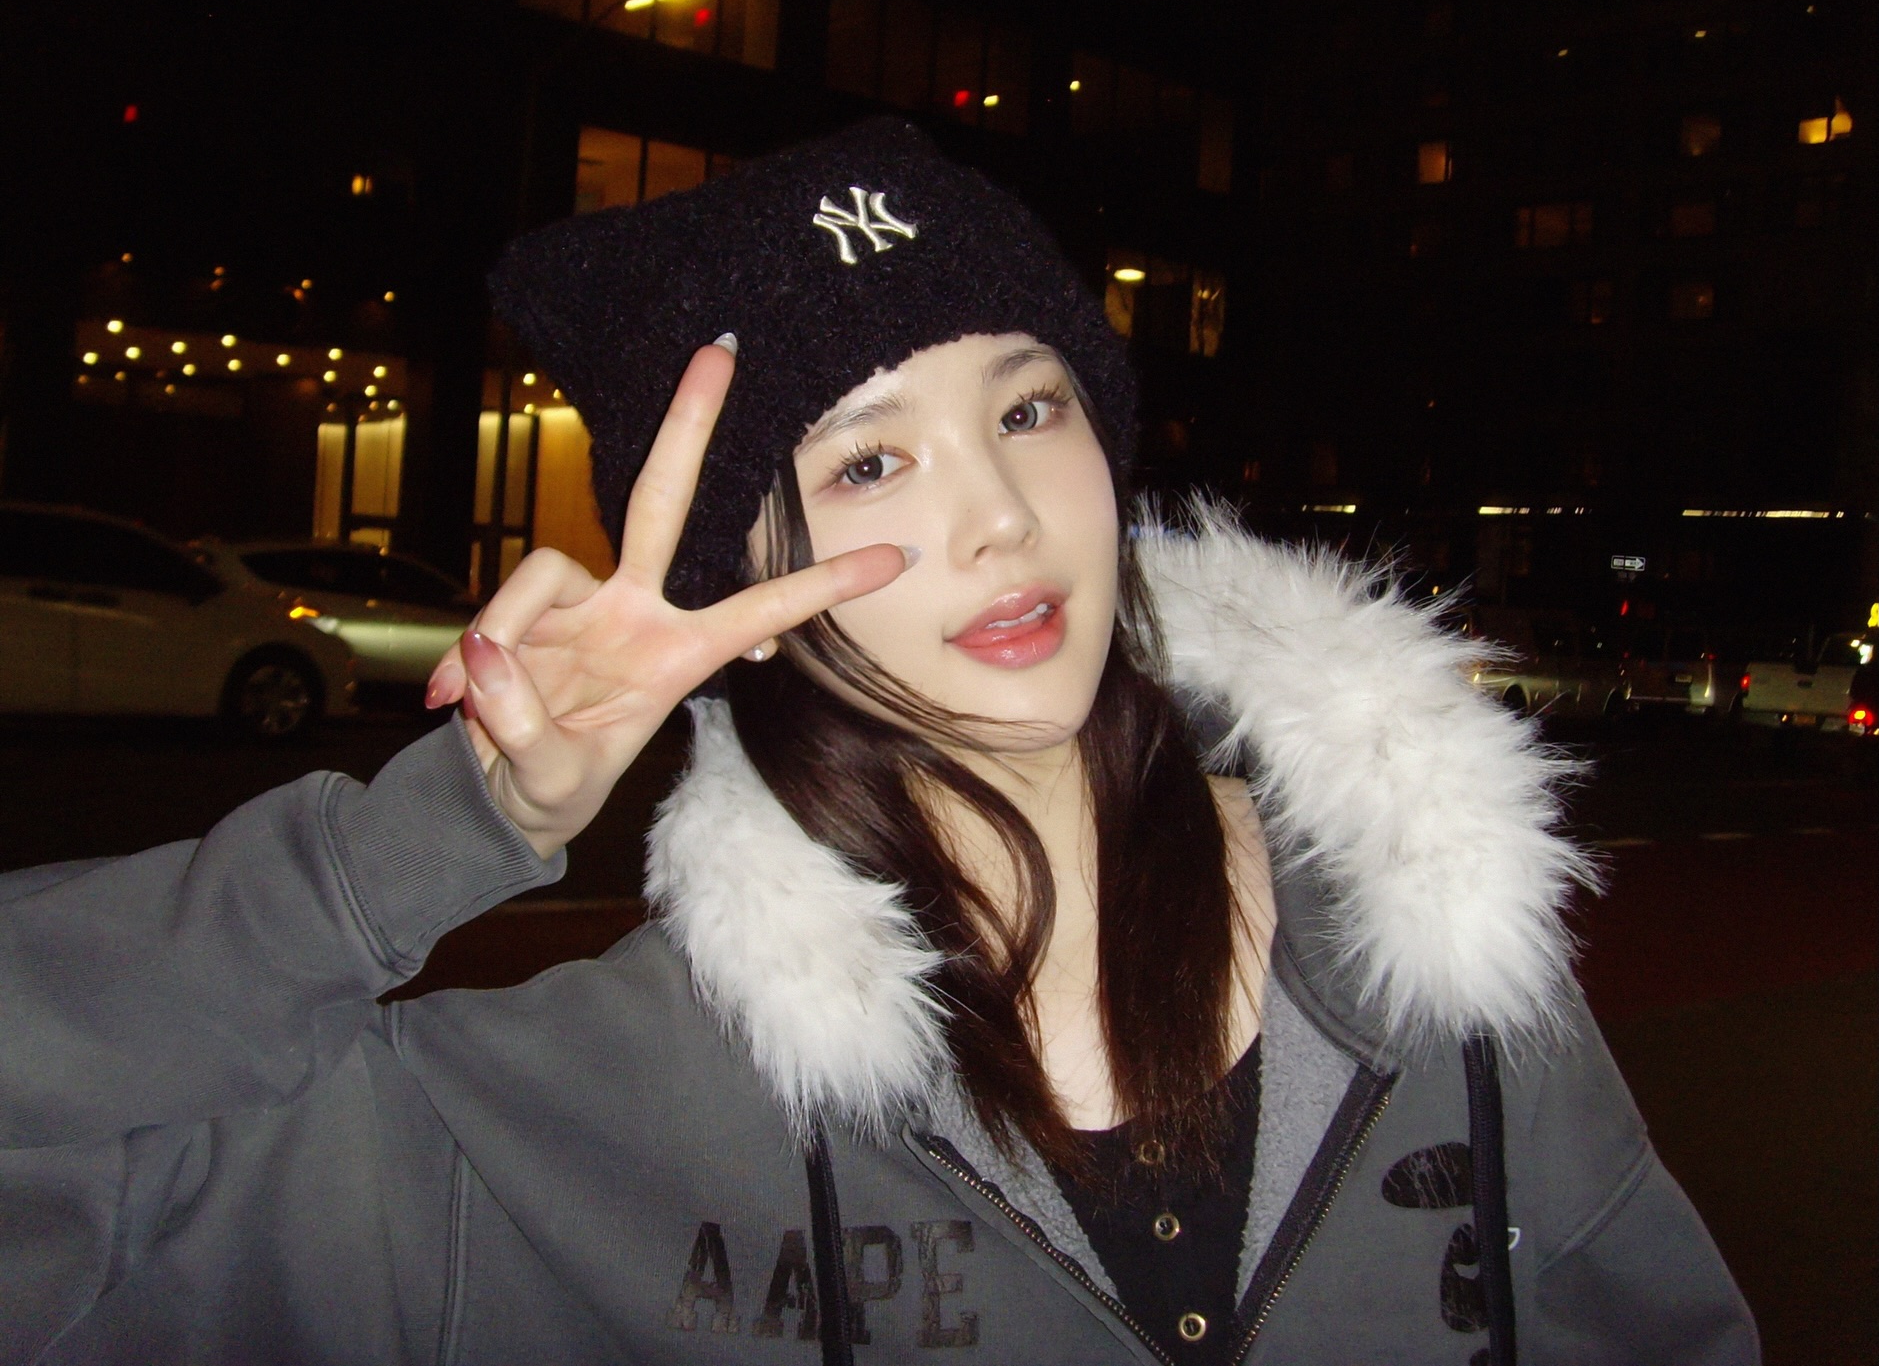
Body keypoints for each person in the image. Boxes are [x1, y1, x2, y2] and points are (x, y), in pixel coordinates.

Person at [0, 120, 1755, 1365]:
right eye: (869, 459)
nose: (1000, 515)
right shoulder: (600, 1098)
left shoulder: (1432, 937)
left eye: (1028, 405)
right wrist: (425, 839)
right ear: (738, 587)